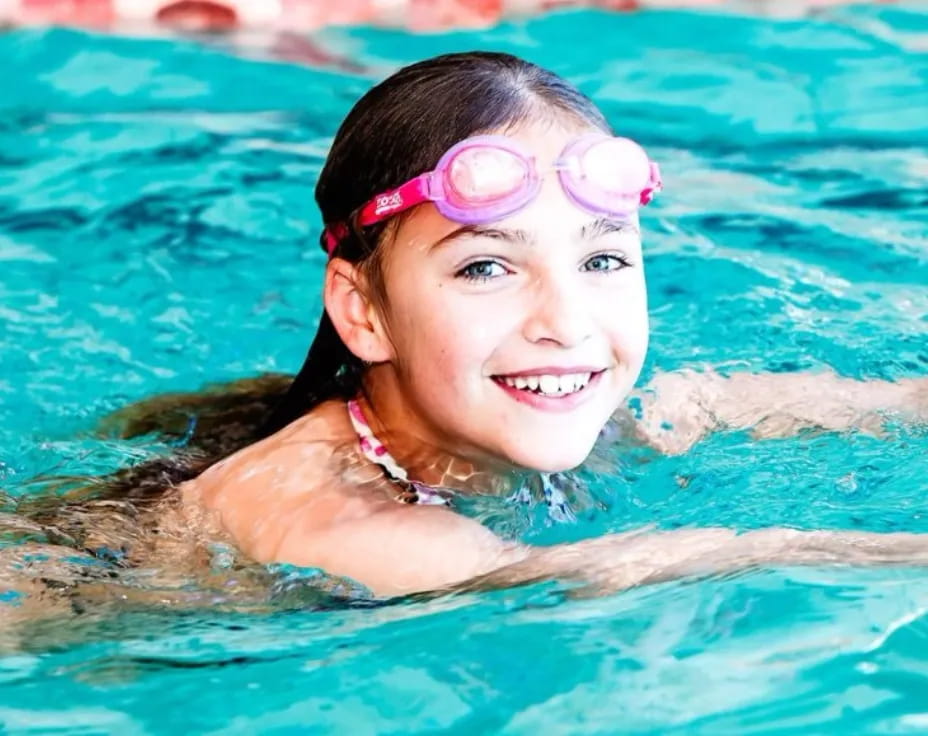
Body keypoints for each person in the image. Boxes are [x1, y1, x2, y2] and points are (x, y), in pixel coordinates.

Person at [166, 51, 927, 598]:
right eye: (485, 268)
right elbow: (650, 565)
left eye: (601, 262)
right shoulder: (350, 524)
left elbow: (703, 403)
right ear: (364, 313)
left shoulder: (518, 407)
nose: (566, 324)